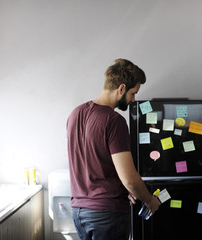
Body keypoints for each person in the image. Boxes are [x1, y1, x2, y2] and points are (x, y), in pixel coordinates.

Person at [66, 58, 161, 240]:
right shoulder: (114, 120)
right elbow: (130, 179)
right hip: (107, 215)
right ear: (121, 88)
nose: (134, 100)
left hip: (79, 211)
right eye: (133, 93)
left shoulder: (75, 114)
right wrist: (149, 201)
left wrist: (124, 189)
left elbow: (94, 162)